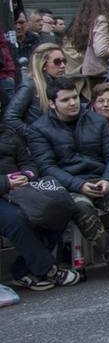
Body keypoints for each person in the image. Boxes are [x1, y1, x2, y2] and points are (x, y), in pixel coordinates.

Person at [28, 77, 109, 281]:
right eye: (65, 100)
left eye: (75, 97)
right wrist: (79, 185)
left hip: (101, 179)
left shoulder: (96, 121)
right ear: (52, 104)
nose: (73, 103)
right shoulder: (39, 129)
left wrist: (108, 180)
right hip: (69, 185)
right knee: (81, 207)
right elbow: (47, 168)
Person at [0, 115, 79, 290]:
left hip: (20, 190)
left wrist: (27, 175)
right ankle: (47, 270)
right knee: (17, 219)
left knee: (60, 204)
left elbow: (28, 163)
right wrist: (6, 182)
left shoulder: (8, 132)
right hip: (5, 193)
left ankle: (22, 271)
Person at [4, 43, 69, 137]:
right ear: (43, 65)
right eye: (57, 62)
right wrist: (33, 135)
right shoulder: (30, 86)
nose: (63, 65)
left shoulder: (62, 83)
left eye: (64, 61)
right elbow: (10, 117)